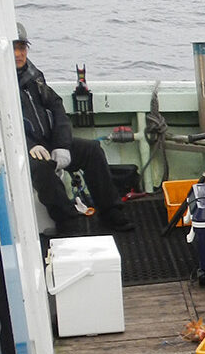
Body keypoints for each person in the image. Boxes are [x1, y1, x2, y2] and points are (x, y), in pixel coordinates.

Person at [13, 23, 132, 234]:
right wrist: (27, 145)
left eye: (22, 48)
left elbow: (57, 108)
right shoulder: (2, 83)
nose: (18, 54)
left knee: (92, 151)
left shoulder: (34, 77)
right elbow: (1, 122)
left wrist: (62, 144)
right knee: (44, 169)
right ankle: (68, 222)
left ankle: (111, 211)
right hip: (23, 149)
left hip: (49, 141)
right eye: (13, 48)